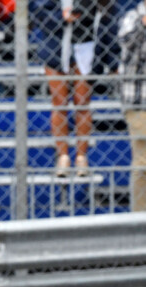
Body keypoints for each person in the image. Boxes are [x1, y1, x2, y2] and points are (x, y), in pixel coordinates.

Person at [30, 0, 99, 177]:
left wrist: (81, 12)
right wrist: (60, 18)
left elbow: (102, 7)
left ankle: (81, 157)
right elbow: (38, 10)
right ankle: (63, 156)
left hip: (85, 41)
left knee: (82, 102)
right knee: (59, 102)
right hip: (55, 43)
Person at [119, 0, 146, 211]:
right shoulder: (133, 16)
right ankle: (140, 217)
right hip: (140, 101)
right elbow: (127, 41)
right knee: (143, 162)